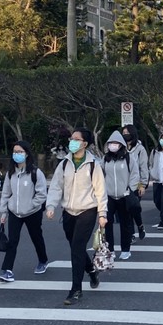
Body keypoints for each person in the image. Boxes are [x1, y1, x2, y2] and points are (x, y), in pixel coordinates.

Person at [46, 127, 108, 306]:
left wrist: (102, 214)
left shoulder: (93, 164)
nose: (71, 142)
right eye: (71, 139)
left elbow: (100, 190)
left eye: (76, 139)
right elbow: (57, 186)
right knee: (76, 247)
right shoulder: (65, 163)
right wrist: (51, 206)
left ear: (84, 144)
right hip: (68, 212)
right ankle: (91, 271)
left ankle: (76, 289)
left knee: (77, 248)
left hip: (87, 211)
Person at [0, 140, 48, 282]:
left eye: (20, 152)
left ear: (26, 154)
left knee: (36, 237)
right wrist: (4, 212)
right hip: (15, 212)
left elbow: (42, 194)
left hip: (32, 212)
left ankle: (43, 260)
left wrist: (32, 205)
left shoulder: (35, 172)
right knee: (12, 241)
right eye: (14, 152)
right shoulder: (10, 173)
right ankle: (6, 270)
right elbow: (6, 193)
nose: (16, 154)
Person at [102, 130, 139, 260]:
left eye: (115, 143)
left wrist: (130, 189)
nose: (113, 145)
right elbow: (100, 176)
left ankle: (125, 249)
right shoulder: (105, 159)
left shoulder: (128, 158)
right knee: (107, 224)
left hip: (124, 196)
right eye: (111, 143)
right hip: (109, 196)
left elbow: (135, 175)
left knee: (125, 223)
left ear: (121, 144)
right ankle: (110, 250)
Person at [122, 125, 148, 241]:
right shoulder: (120, 148)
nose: (125, 134)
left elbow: (143, 167)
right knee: (125, 211)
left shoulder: (140, 149)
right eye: (123, 133)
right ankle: (131, 234)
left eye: (127, 132)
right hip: (123, 184)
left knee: (134, 208)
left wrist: (143, 184)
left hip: (136, 184)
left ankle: (140, 226)